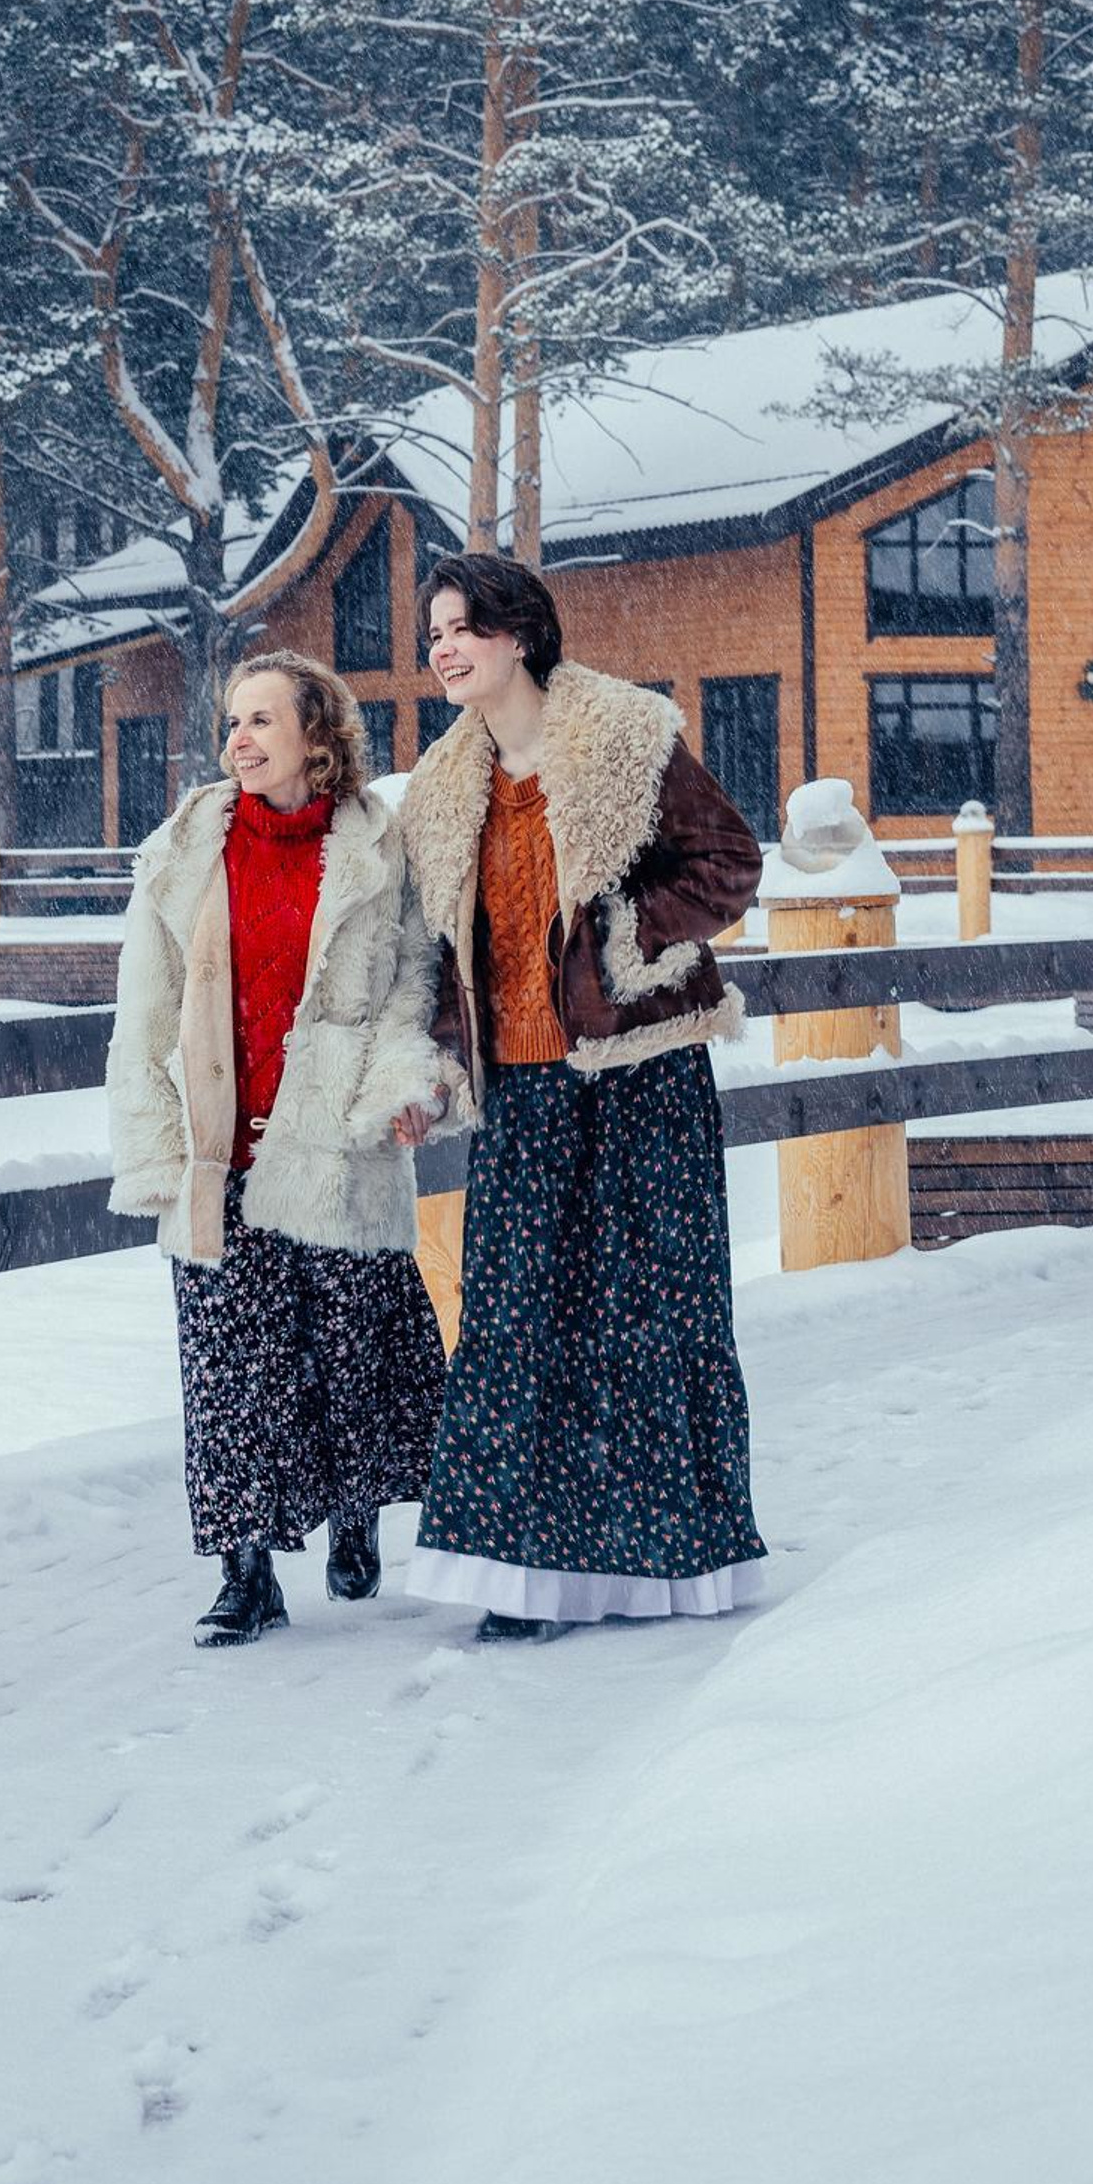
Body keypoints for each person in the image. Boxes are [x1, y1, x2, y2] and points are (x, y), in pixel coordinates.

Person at [397, 554, 766, 1639]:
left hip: (639, 1078)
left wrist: (620, 935)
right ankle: (527, 1577)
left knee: (649, 1322)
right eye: (434, 634)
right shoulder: (441, 786)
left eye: (461, 627)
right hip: (520, 1092)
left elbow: (729, 865)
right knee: (514, 1328)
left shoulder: (625, 739)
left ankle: (661, 1564)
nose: (444, 648)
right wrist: (431, 1066)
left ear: (518, 633)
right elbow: (438, 951)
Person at [106, 648, 459, 1647]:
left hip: (336, 1146)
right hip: (223, 1151)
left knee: (348, 1353)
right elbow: (143, 1017)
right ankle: (244, 1571)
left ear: (320, 738)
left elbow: (407, 994)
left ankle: (354, 1513)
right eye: (233, 720)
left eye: (263, 719)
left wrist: (401, 1094)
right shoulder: (182, 851)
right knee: (228, 1368)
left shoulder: (376, 853)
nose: (240, 739)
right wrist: (157, 1148)